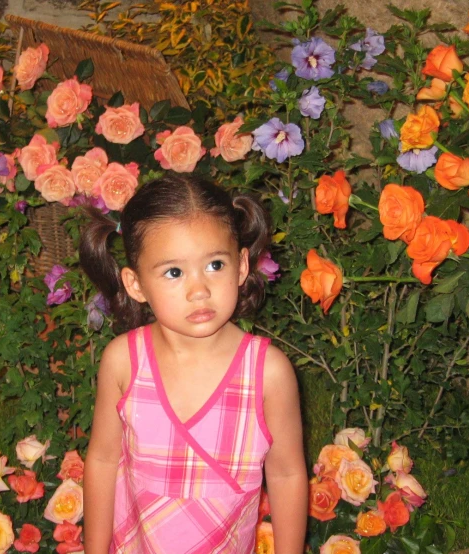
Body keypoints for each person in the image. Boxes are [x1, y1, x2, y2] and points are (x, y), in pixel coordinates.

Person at [80, 174, 307, 553]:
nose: (199, 289)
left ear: (241, 265)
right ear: (136, 285)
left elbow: (286, 474)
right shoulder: (124, 362)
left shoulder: (268, 373)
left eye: (215, 265)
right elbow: (103, 460)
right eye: (174, 272)